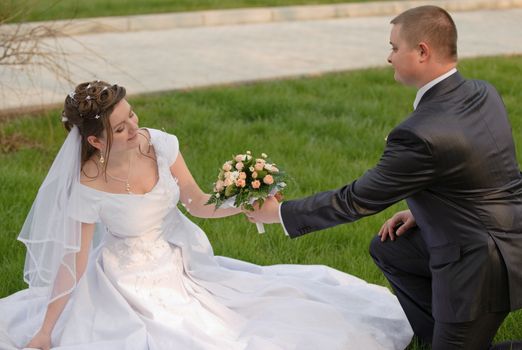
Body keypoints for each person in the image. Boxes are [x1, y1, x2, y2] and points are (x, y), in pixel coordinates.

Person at [0, 80, 412, 350]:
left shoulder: (159, 144)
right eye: (120, 128)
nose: (134, 128)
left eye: (132, 115)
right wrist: (45, 331)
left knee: (266, 312)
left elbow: (197, 203)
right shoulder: (88, 184)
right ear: (95, 140)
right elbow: (74, 258)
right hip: (122, 278)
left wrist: (245, 201)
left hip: (178, 262)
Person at [249, 5, 522, 350]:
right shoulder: (483, 93)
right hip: (509, 232)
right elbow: (488, 171)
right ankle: (439, 335)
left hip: (481, 265)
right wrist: (424, 210)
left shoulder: (420, 133)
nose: (389, 57)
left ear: (422, 51)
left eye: (394, 47)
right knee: (390, 248)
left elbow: (356, 200)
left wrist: (279, 214)